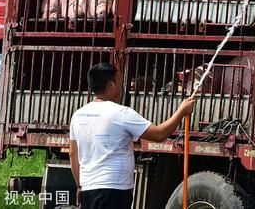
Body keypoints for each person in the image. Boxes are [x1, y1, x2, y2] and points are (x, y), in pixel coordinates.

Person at [69, 63, 195, 209]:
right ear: (111, 84)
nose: (123, 86)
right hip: (114, 191)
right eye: (120, 81)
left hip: (88, 190)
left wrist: (80, 186)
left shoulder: (78, 115)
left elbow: (73, 153)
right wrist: (181, 110)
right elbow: (160, 134)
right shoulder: (121, 113)